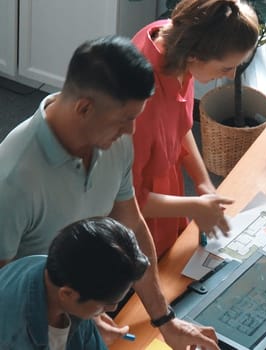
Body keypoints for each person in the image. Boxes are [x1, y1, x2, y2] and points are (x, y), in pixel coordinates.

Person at [0, 36, 220, 349]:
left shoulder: (115, 139)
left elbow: (131, 226)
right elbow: (6, 293)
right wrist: (76, 312)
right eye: (126, 119)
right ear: (85, 108)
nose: (132, 131)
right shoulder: (12, 180)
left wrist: (165, 320)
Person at [130, 0, 259, 256]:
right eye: (226, 67)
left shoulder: (175, 39)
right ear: (194, 56)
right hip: (140, 212)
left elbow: (178, 126)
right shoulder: (140, 103)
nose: (232, 76)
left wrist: (202, 183)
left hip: (166, 188)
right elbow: (126, 202)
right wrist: (194, 206)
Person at [0, 217, 149, 350]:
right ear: (67, 294)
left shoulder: (65, 269)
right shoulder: (13, 340)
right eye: (106, 303)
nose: (112, 309)